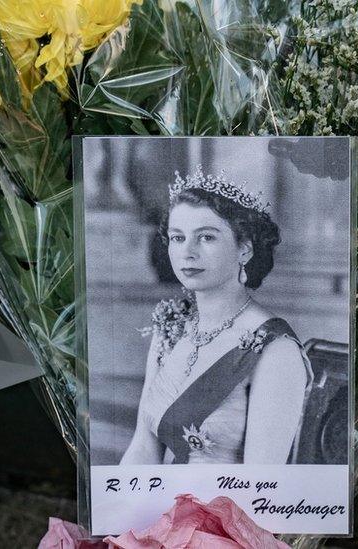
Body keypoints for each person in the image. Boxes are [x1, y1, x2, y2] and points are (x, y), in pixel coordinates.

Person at [121, 168, 312, 465]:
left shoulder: (276, 351)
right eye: (177, 237)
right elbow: (143, 447)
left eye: (206, 237)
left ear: (245, 249)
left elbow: (262, 484)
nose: (187, 252)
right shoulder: (170, 328)